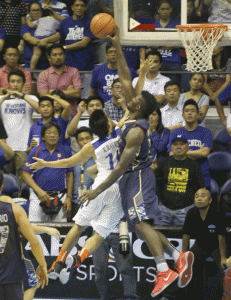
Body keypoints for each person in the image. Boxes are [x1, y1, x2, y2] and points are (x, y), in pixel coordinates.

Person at [79, 26, 194, 298]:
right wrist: (116, 44)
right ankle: (178, 256)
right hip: (133, 178)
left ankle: (164, 269)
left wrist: (96, 190)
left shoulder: (136, 130)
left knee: (142, 225)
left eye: (136, 97)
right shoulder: (134, 110)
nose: (130, 94)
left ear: (141, 107)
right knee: (144, 230)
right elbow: (125, 74)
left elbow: (120, 168)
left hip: (137, 176)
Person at [28, 110, 124, 286]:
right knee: (100, 233)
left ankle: (59, 263)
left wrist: (45, 163)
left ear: (94, 131)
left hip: (99, 187)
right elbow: (128, 117)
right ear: (109, 124)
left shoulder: (92, 146)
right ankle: (77, 260)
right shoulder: (121, 134)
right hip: (119, 190)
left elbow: (67, 162)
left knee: (79, 225)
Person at [0, 170, 48, 300]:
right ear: (1, 187)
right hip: (11, 277)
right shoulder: (15, 210)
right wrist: (42, 265)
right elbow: (34, 242)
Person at [182, 187, 228, 300]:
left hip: (216, 247)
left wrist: (223, 257)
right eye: (196, 196)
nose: (199, 199)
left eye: (203, 196)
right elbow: (185, 235)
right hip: (200, 246)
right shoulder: (191, 212)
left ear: (210, 200)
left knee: (224, 268)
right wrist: (184, 256)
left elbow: (221, 237)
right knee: (185, 268)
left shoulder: (217, 212)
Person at [23, 122, 73, 222]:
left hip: (60, 196)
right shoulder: (35, 151)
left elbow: (69, 174)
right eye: (49, 132)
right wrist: (38, 191)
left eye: (55, 132)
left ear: (59, 136)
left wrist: (68, 197)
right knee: (35, 229)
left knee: (59, 231)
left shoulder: (66, 151)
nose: (52, 135)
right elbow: (25, 174)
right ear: (43, 137)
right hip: (39, 196)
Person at [154, 135, 205, 226]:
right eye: (175, 144)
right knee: (158, 237)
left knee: (185, 237)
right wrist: (150, 170)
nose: (179, 146)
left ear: (187, 147)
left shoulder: (194, 165)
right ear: (171, 148)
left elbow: (201, 187)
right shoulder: (162, 162)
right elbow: (151, 181)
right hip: (163, 209)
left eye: (182, 144)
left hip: (185, 210)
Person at [0, 69, 39, 185]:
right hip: (5, 147)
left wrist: (22, 95)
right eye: (12, 81)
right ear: (8, 83)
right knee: (5, 180)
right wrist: (5, 96)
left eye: (18, 81)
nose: (15, 84)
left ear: (23, 83)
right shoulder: (2, 99)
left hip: (23, 147)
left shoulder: (30, 98)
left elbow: (39, 108)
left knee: (23, 181)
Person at [168, 99, 212, 188]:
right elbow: (171, 154)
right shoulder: (175, 133)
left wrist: (181, 152)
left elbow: (204, 153)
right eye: (187, 111)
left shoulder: (206, 132)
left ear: (198, 114)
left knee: (202, 199)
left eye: (193, 111)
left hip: (200, 173)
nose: (189, 113)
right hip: (179, 173)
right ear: (182, 115)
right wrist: (197, 152)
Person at [37, 43, 83, 115]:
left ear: (64, 56)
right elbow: (43, 96)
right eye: (54, 55)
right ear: (49, 57)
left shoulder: (74, 71)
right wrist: (69, 92)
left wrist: (52, 92)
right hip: (51, 116)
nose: (58, 57)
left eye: (60, 54)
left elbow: (77, 94)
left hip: (71, 115)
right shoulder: (43, 75)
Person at [20, 2, 60, 71]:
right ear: (29, 12)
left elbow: (58, 35)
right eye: (33, 10)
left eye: (38, 10)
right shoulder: (25, 26)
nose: (36, 12)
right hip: (29, 64)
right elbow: (29, 39)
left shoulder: (50, 23)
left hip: (48, 66)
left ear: (41, 11)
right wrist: (46, 42)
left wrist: (45, 41)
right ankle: (32, 72)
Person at [58, 0, 95, 72]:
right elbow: (61, 40)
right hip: (68, 65)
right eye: (77, 5)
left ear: (85, 8)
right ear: (72, 7)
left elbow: (83, 43)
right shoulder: (64, 23)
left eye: (82, 6)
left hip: (86, 66)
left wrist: (64, 47)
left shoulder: (91, 22)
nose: (79, 8)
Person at [154, 0, 181, 83]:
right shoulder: (153, 24)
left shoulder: (177, 24)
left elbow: (178, 44)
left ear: (171, 9)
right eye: (162, 9)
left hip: (173, 62)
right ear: (158, 10)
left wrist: (159, 44)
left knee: (172, 89)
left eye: (167, 9)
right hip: (157, 62)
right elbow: (149, 45)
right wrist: (169, 43)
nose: (165, 11)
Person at [71, 126, 95, 218]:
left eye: (87, 138)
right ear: (77, 142)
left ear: (92, 139)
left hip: (92, 201)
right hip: (75, 201)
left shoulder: (98, 157)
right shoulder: (73, 158)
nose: (85, 142)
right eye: (81, 139)